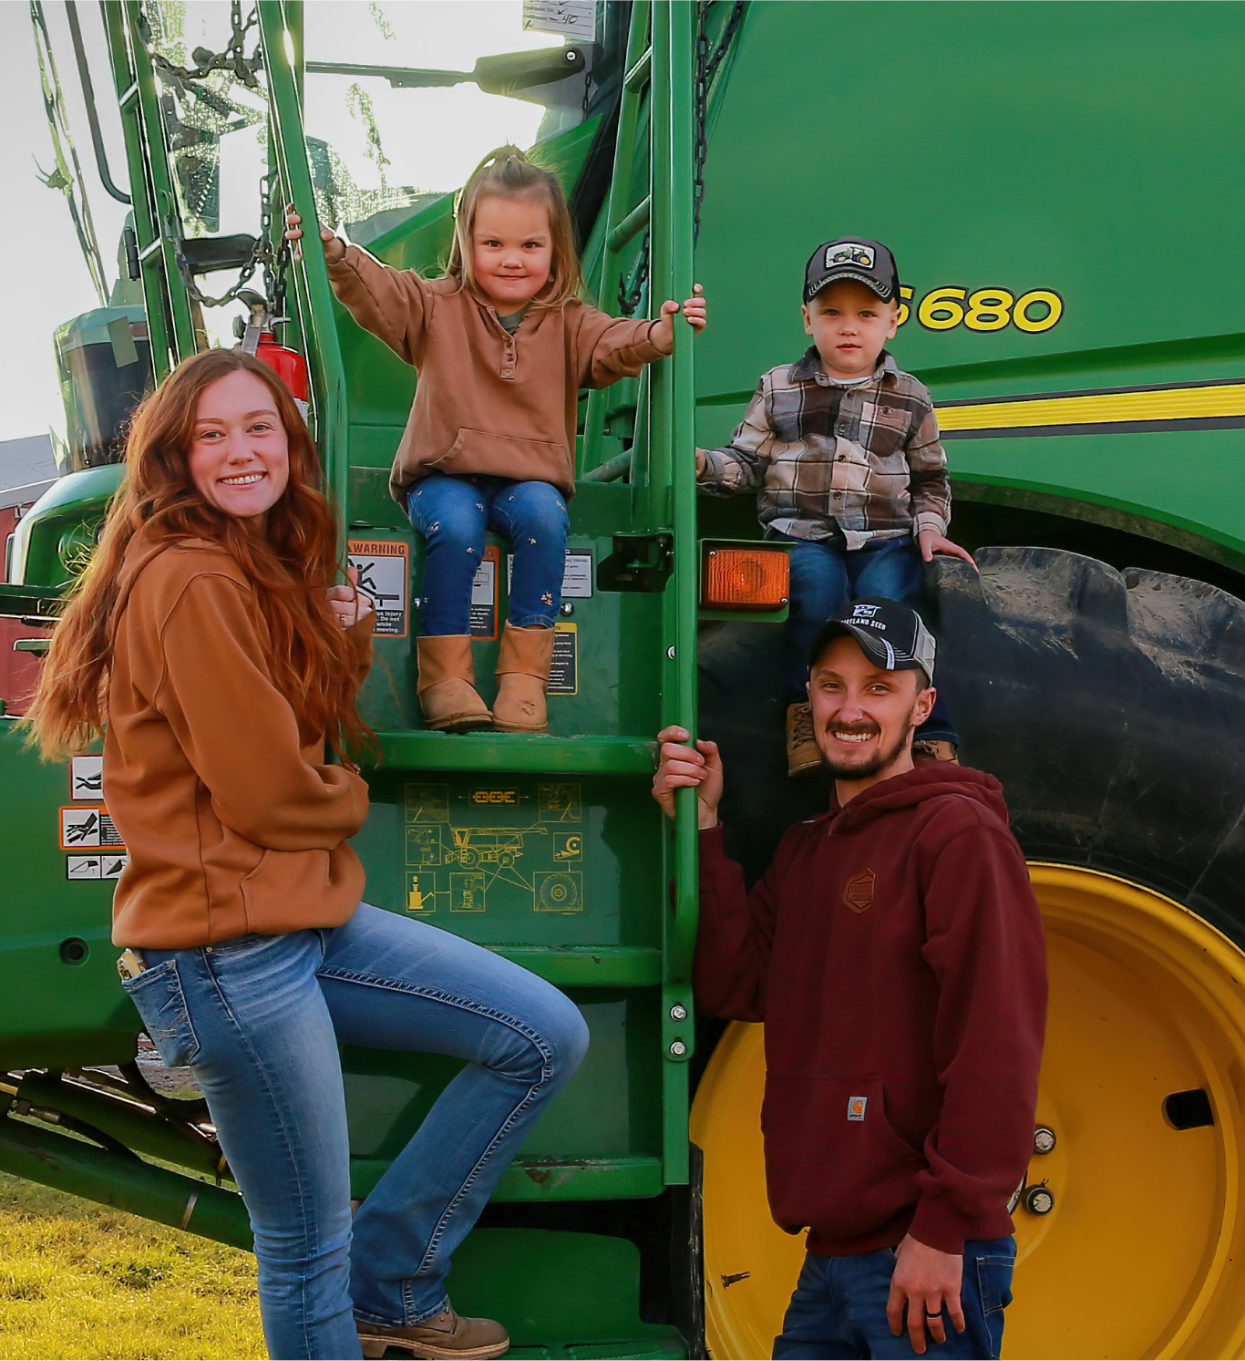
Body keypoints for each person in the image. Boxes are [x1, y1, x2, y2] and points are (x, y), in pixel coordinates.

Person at [26, 349, 590, 1361]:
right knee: (302, 1249)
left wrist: (349, 634)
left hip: (300, 922)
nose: (241, 451)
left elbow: (284, 720)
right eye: (212, 434)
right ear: (175, 456)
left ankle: (395, 1280)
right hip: (225, 953)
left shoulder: (239, 565)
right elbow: (269, 789)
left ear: (291, 442)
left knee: (542, 1033)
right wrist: (347, 797)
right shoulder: (191, 576)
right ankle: (372, 1288)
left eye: (260, 427)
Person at [652, 598, 1046, 1359]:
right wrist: (699, 829)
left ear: (921, 706)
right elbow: (738, 985)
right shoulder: (806, 850)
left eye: (879, 688)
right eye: (832, 686)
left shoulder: (958, 835)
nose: (851, 710)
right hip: (832, 1253)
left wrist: (945, 1227)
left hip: (925, 1248)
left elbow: (995, 1040)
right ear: (810, 700)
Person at [285, 146, 705, 734]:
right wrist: (336, 252)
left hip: (527, 480)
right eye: (494, 244)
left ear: (556, 249)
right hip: (444, 476)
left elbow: (615, 343)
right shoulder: (436, 306)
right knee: (457, 527)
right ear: (466, 243)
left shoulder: (570, 321)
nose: (512, 259)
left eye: (530, 245)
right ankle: (444, 679)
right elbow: (378, 290)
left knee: (545, 517)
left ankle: (525, 678)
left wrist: (660, 334)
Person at [693, 237, 972, 775]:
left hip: (885, 536)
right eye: (832, 313)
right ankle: (804, 715)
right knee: (817, 594)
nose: (849, 327)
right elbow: (746, 463)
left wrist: (930, 528)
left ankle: (928, 729)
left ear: (893, 321)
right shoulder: (779, 387)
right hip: (800, 533)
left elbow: (930, 477)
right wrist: (703, 464)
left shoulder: (911, 396)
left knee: (893, 608)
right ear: (807, 319)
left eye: (866, 314)